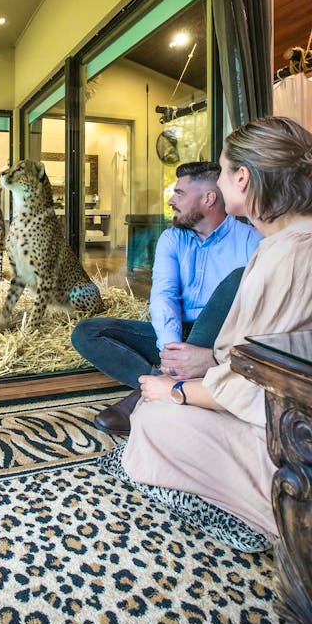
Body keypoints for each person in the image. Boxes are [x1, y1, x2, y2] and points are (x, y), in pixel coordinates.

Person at [119, 116, 312, 542]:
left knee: (152, 418)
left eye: (224, 171)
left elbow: (250, 386)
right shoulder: (285, 242)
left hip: (291, 445)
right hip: (217, 365)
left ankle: (269, 514)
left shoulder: (282, 254)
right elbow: (164, 296)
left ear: (241, 179)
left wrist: (173, 391)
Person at [72, 161, 262, 436]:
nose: (171, 201)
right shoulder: (172, 238)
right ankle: (172, 383)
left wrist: (206, 355)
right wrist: (172, 349)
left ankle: (151, 392)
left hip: (219, 341)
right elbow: (164, 295)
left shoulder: (249, 240)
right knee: (87, 332)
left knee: (232, 284)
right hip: (178, 337)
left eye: (180, 194)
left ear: (209, 198)